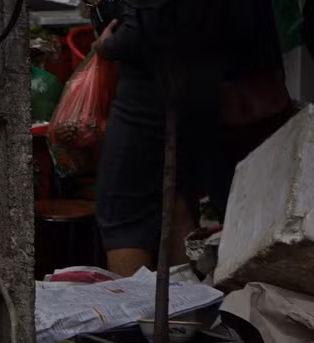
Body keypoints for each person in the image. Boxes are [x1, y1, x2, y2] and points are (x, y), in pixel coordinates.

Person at [93, 0, 286, 277]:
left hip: (155, 92)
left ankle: (137, 317)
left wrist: (106, 45)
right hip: (210, 85)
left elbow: (142, 31)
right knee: (177, 202)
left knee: (125, 215)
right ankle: (184, 313)